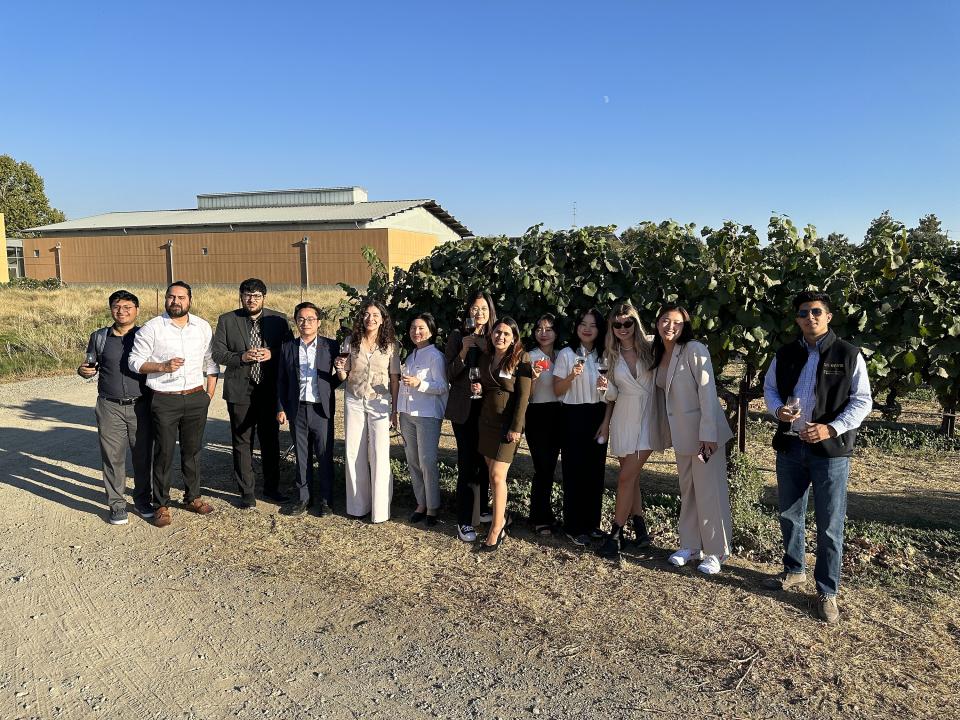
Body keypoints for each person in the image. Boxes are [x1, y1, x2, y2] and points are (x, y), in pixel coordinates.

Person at [761, 290, 872, 624]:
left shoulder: (848, 354)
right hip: (791, 446)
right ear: (797, 318)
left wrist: (832, 428)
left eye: (816, 311)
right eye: (803, 312)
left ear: (828, 316)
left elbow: (862, 400)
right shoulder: (785, 353)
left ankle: (827, 590)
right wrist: (777, 410)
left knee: (830, 524)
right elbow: (770, 389)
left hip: (830, 452)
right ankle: (794, 570)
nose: (810, 317)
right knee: (790, 514)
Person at [128, 281, 219, 528]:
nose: (175, 301)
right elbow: (134, 362)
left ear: (190, 300)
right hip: (164, 398)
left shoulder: (202, 326)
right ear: (165, 299)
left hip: (195, 397)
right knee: (164, 452)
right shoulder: (151, 328)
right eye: (171, 297)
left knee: (193, 450)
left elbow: (211, 362)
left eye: (181, 297)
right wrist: (161, 367)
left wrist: (208, 394)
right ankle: (161, 504)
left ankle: (193, 497)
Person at [652, 303, 733, 575]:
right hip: (682, 436)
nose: (670, 326)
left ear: (685, 326)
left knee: (710, 491)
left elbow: (707, 392)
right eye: (665, 320)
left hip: (703, 436)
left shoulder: (694, 349)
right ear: (657, 322)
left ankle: (716, 551)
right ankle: (690, 544)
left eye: (676, 322)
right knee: (688, 490)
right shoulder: (660, 351)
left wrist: (708, 434)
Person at [212, 278, 293, 509]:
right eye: (247, 295)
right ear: (241, 296)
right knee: (241, 441)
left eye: (256, 296)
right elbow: (218, 354)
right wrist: (241, 357)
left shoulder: (278, 320)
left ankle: (271, 488)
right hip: (240, 390)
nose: (251, 299)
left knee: (270, 441)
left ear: (264, 298)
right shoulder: (227, 320)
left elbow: (289, 351)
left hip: (269, 390)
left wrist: (272, 353)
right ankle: (246, 492)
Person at [77, 290, 153, 525]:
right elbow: (90, 365)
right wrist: (83, 371)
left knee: (143, 456)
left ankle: (142, 500)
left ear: (137, 310)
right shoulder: (99, 337)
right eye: (117, 307)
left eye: (128, 307)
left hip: (142, 405)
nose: (122, 311)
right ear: (111, 309)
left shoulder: (146, 336)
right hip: (109, 405)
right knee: (112, 457)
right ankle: (117, 504)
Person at [596, 303, 657, 559]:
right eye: (617, 324)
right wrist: (603, 389)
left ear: (636, 323)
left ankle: (615, 533)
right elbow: (611, 396)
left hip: (649, 416)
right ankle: (640, 527)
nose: (623, 328)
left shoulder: (652, 347)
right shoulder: (609, 356)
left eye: (627, 323)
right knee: (630, 476)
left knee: (625, 477)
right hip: (623, 417)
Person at [334, 299, 400, 524]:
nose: (370, 319)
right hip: (354, 399)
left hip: (380, 402)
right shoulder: (350, 342)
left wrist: (395, 409)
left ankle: (380, 510)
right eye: (367, 314)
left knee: (380, 453)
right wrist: (339, 369)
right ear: (361, 318)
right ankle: (357, 506)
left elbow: (394, 379)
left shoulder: (391, 345)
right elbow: (343, 376)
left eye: (375, 315)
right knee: (354, 451)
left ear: (383, 319)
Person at [470, 317, 533, 550]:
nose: (501, 337)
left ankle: (497, 528)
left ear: (514, 337)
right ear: (491, 334)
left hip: (507, 426)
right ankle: (501, 517)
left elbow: (524, 396)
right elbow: (487, 385)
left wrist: (517, 427)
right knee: (492, 474)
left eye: (506, 333)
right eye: (497, 332)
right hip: (486, 422)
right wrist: (478, 387)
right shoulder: (487, 357)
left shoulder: (521, 359)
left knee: (497, 475)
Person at [276, 302, 341, 516]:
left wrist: (327, 386)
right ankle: (303, 498)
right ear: (296, 322)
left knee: (324, 455)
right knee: (302, 456)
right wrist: (281, 407)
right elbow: (282, 380)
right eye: (301, 319)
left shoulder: (331, 346)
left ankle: (326, 500)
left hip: (321, 410)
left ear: (319, 322)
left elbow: (339, 376)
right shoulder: (288, 347)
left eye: (310, 319)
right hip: (297, 409)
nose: (306, 323)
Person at [444, 290, 497, 543]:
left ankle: (481, 509)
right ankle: (464, 520)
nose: (479, 313)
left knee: (484, 461)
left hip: (486, 409)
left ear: (490, 312)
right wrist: (464, 351)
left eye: (484, 309)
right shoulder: (458, 336)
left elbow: (497, 373)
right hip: (464, 410)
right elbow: (449, 374)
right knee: (467, 463)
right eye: (475, 309)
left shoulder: (495, 337)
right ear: (468, 311)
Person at [553, 308, 608, 547]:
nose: (587, 328)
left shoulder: (604, 356)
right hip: (572, 415)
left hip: (597, 415)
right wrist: (572, 377)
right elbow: (557, 390)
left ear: (599, 330)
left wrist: (605, 423)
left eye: (593, 325)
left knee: (595, 471)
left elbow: (609, 395)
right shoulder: (567, 354)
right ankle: (573, 526)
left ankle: (592, 524)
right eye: (583, 324)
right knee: (574, 470)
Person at [397, 313, 448, 526]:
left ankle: (433, 506)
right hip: (407, 414)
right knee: (413, 461)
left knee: (427, 461)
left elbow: (443, 387)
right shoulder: (411, 356)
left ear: (431, 330)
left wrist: (420, 383)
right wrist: (398, 410)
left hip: (427, 415)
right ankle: (421, 503)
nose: (416, 332)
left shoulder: (435, 356)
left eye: (421, 328)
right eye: (413, 328)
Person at [526, 314, 562, 535]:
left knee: (550, 467)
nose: (543, 332)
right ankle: (540, 518)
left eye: (548, 329)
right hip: (537, 413)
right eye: (539, 328)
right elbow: (526, 396)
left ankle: (542, 513)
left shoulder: (562, 356)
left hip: (558, 414)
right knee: (542, 467)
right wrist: (534, 377)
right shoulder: (530, 357)